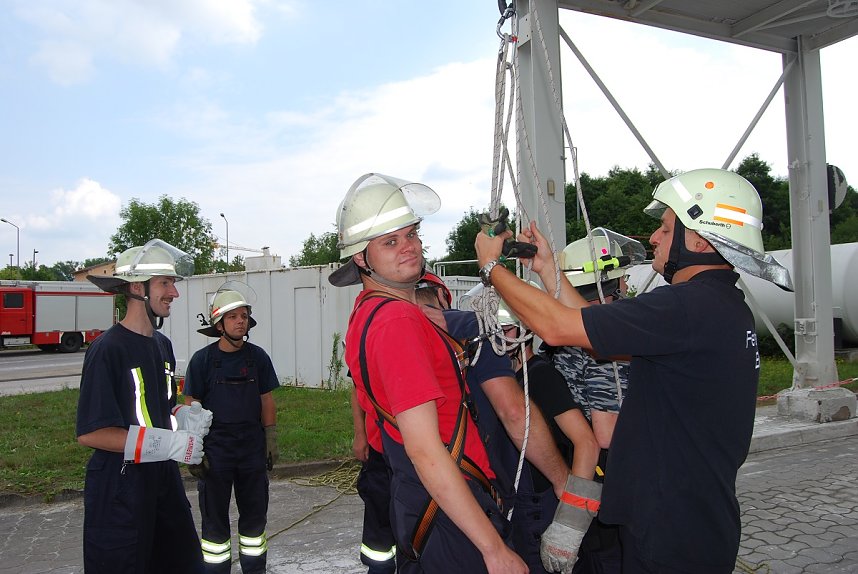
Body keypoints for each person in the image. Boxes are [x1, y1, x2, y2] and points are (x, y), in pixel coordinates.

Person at [475, 168, 792, 573]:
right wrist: (547, 269)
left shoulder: (685, 307)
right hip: (696, 522)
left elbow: (556, 329)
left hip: (669, 532)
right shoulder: (719, 308)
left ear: (697, 239)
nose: (654, 238)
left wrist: (491, 269)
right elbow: (591, 327)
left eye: (664, 227)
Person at [329, 172, 527, 573]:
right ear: (360, 259)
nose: (410, 247)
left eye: (412, 234)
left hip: (431, 500)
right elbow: (424, 448)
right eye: (390, 241)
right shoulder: (396, 321)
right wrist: (492, 548)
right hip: (448, 509)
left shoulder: (370, 314)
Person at [76, 239, 210, 574]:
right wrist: (168, 443)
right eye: (165, 283)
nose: (174, 293)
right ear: (137, 288)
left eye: (173, 283)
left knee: (183, 564)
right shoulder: (107, 350)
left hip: (162, 480)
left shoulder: (162, 345)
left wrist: (184, 418)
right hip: (121, 488)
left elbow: (155, 409)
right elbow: (92, 432)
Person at [495, 294, 601, 574]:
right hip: (522, 507)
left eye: (503, 330)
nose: (495, 340)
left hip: (544, 508)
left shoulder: (540, 376)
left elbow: (586, 441)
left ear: (524, 331)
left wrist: (571, 521)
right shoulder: (506, 379)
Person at [183, 283, 280, 574]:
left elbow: (267, 400)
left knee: (254, 520)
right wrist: (194, 450)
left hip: (251, 449)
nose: (241, 321)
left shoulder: (257, 357)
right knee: (214, 521)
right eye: (233, 316)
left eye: (244, 315)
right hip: (216, 451)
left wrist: (270, 438)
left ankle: (254, 569)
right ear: (219, 324)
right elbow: (191, 406)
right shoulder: (202, 361)